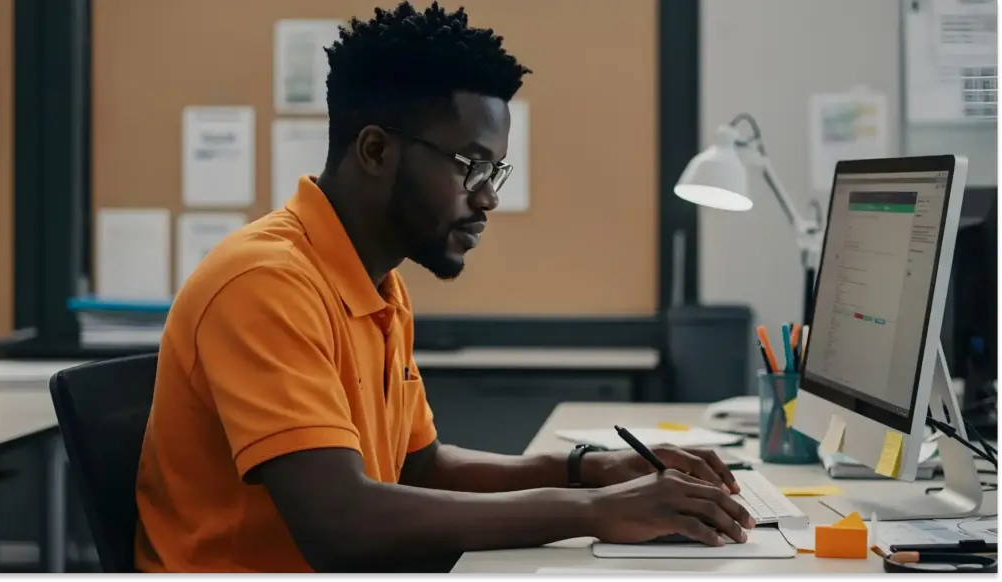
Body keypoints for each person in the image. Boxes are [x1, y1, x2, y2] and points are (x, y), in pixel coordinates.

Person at [134, 1, 754, 574]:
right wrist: (594, 511)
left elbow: (420, 465)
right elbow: (339, 523)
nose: (488, 198)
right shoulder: (264, 282)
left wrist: (591, 470)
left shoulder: (374, 283)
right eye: (471, 167)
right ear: (375, 150)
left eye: (495, 171)